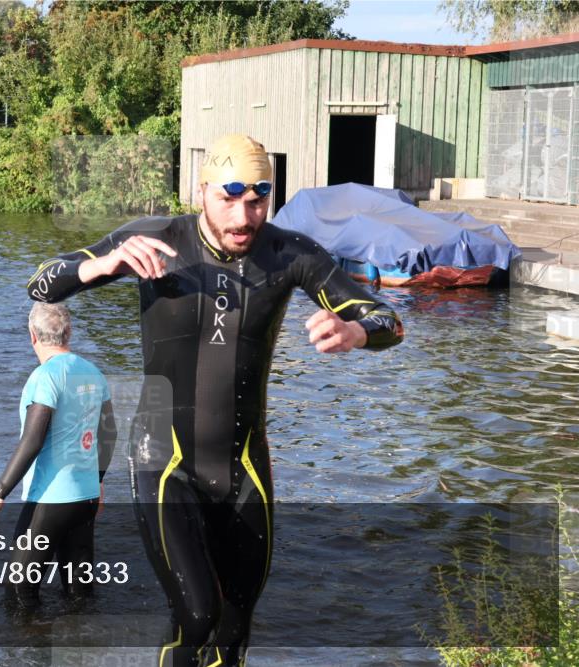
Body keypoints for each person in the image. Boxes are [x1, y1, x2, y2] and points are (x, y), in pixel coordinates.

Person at [25, 133, 404, 665]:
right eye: (229, 199)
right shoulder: (153, 239)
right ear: (201, 191)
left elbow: (389, 319)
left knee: (234, 628)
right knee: (197, 615)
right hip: (164, 462)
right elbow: (40, 286)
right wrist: (102, 264)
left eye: (257, 200)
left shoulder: (288, 253)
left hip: (245, 465)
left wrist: (357, 332)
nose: (244, 216)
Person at [0, 302, 116, 609]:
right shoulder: (93, 372)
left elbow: (33, 440)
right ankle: (82, 649)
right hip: (86, 498)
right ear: (69, 332)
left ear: (32, 336)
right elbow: (109, 434)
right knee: (79, 593)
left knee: (18, 593)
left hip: (50, 499)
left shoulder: (45, 377)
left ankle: (29, 652)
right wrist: (99, 481)